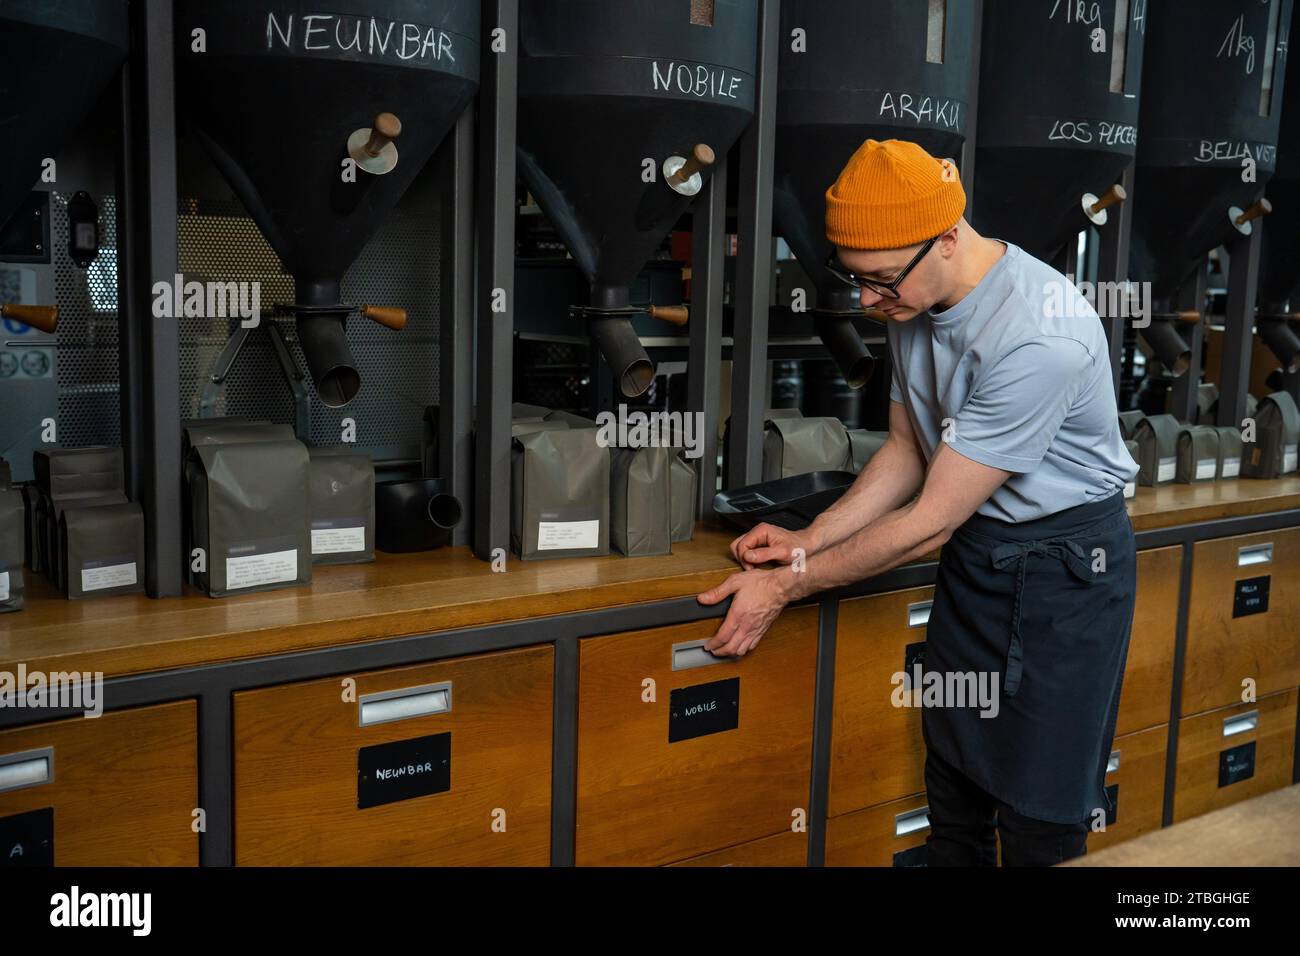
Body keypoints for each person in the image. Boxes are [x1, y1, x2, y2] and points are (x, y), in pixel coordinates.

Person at [697, 138, 1140, 866]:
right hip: (979, 557)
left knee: (1039, 822)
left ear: (944, 239)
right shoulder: (914, 300)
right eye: (856, 280)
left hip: (1065, 577)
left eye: (879, 280)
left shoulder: (1039, 335)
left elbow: (929, 519)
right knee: (957, 800)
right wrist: (810, 537)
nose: (870, 301)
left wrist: (783, 587)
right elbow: (907, 451)